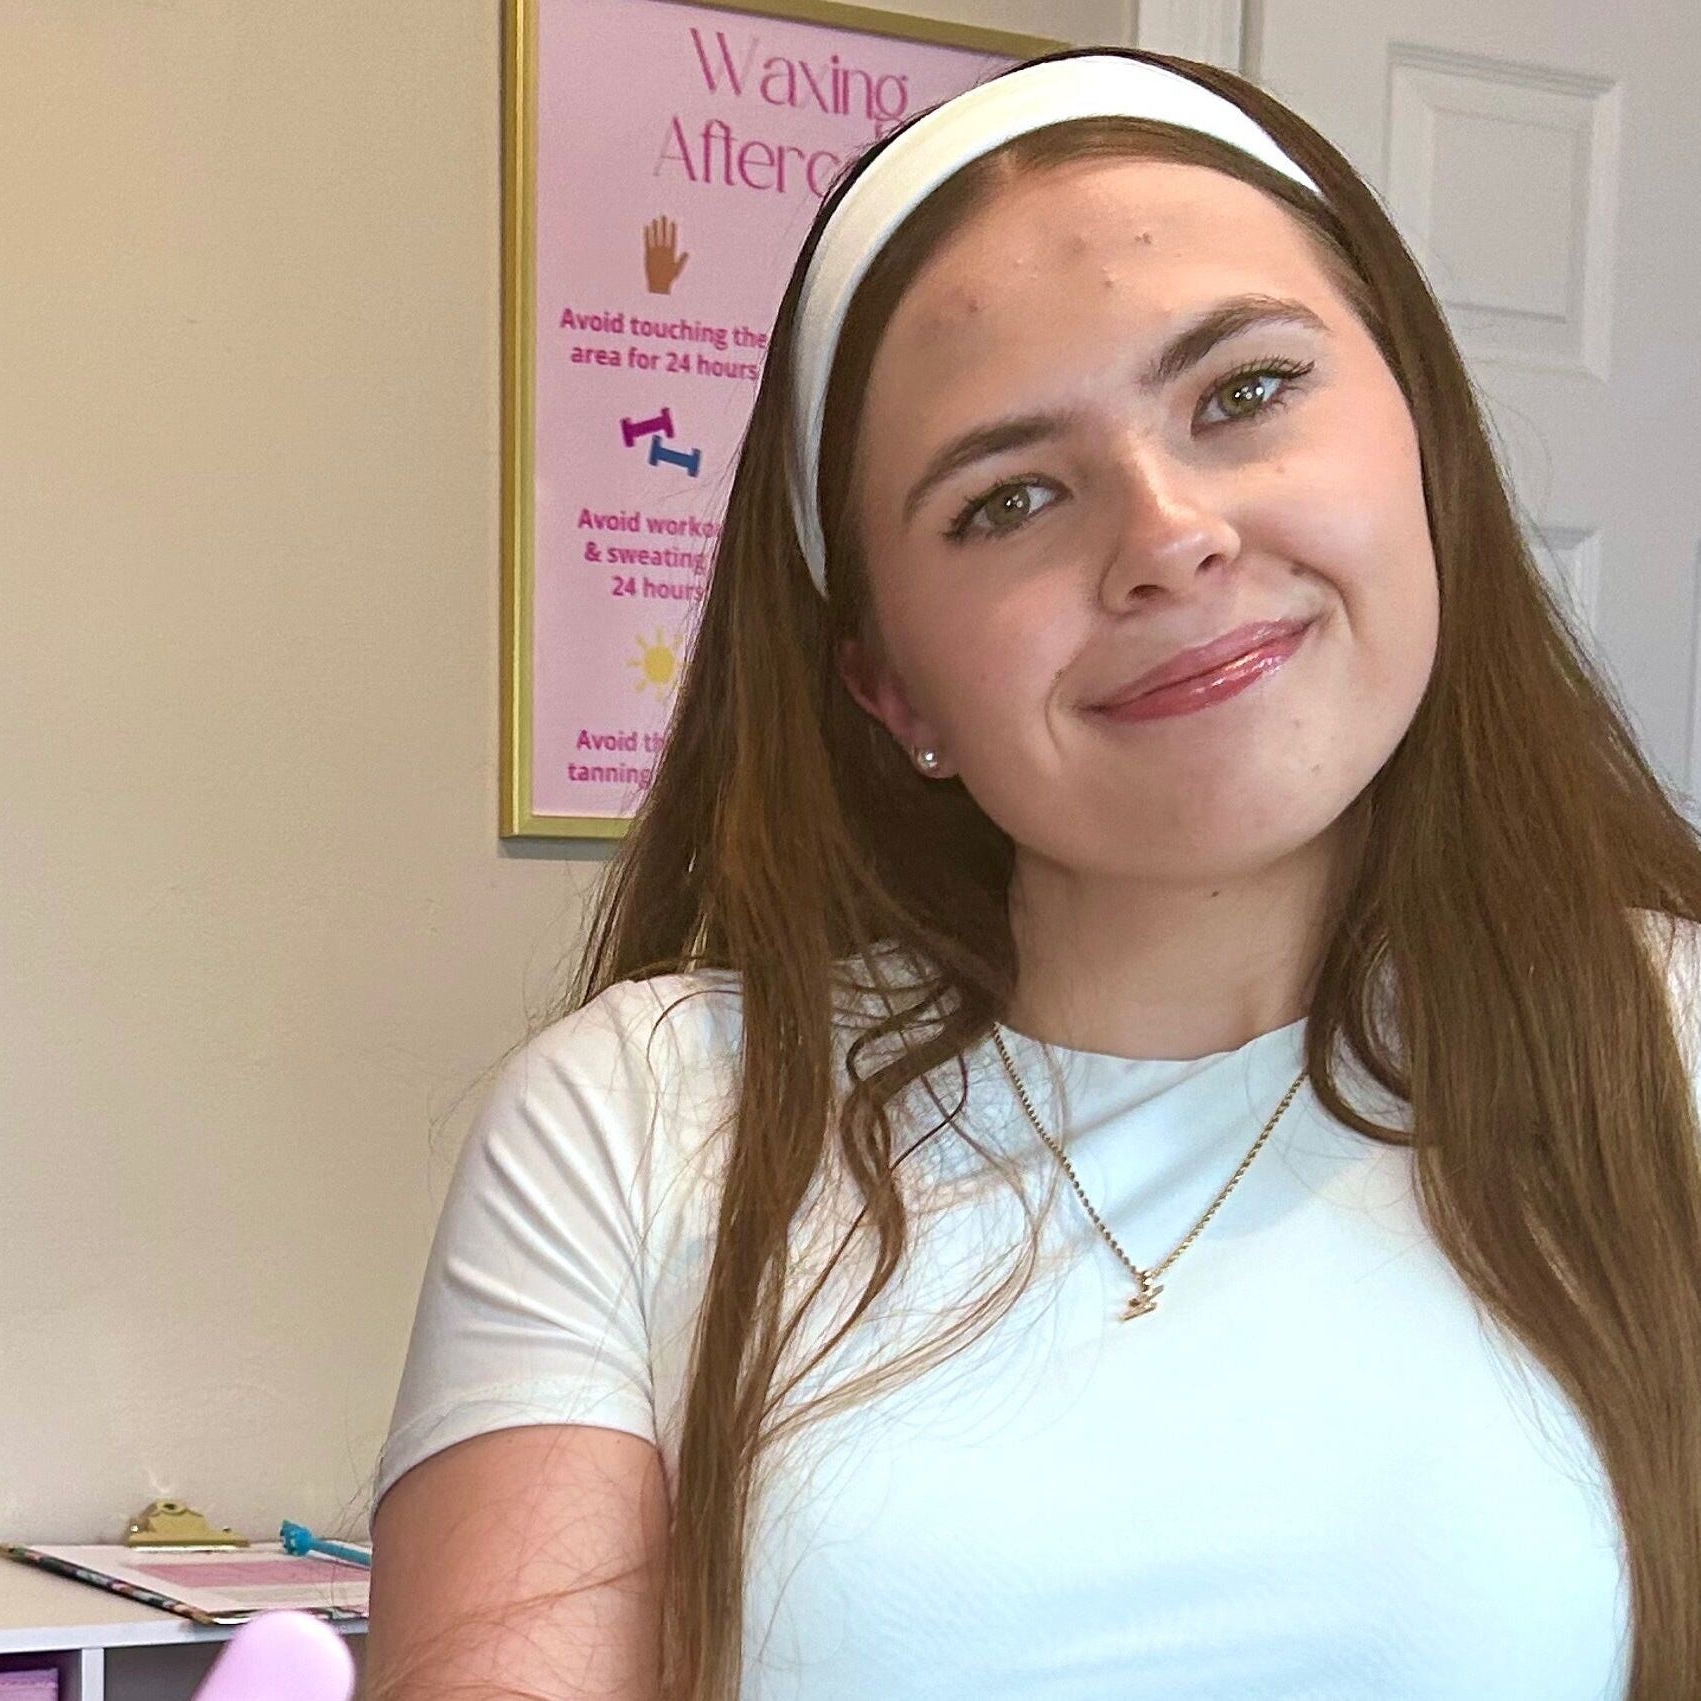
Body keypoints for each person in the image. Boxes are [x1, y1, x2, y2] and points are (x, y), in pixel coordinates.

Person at [365, 47, 1701, 1701]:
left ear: (1422, 441)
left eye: (1244, 393)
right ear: (889, 687)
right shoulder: (637, 1122)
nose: (1165, 536)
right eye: (1005, 500)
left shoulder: (1668, 1051)